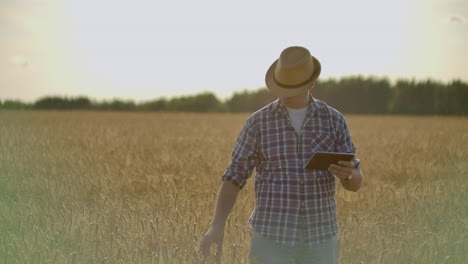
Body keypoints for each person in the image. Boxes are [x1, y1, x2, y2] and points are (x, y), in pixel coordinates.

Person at [200, 46, 363, 264]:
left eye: (292, 89)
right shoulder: (258, 123)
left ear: (311, 84)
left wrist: (349, 175)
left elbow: (356, 181)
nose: (284, 94)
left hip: (321, 238)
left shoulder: (333, 120)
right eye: (281, 88)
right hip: (271, 240)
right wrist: (217, 226)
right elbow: (234, 177)